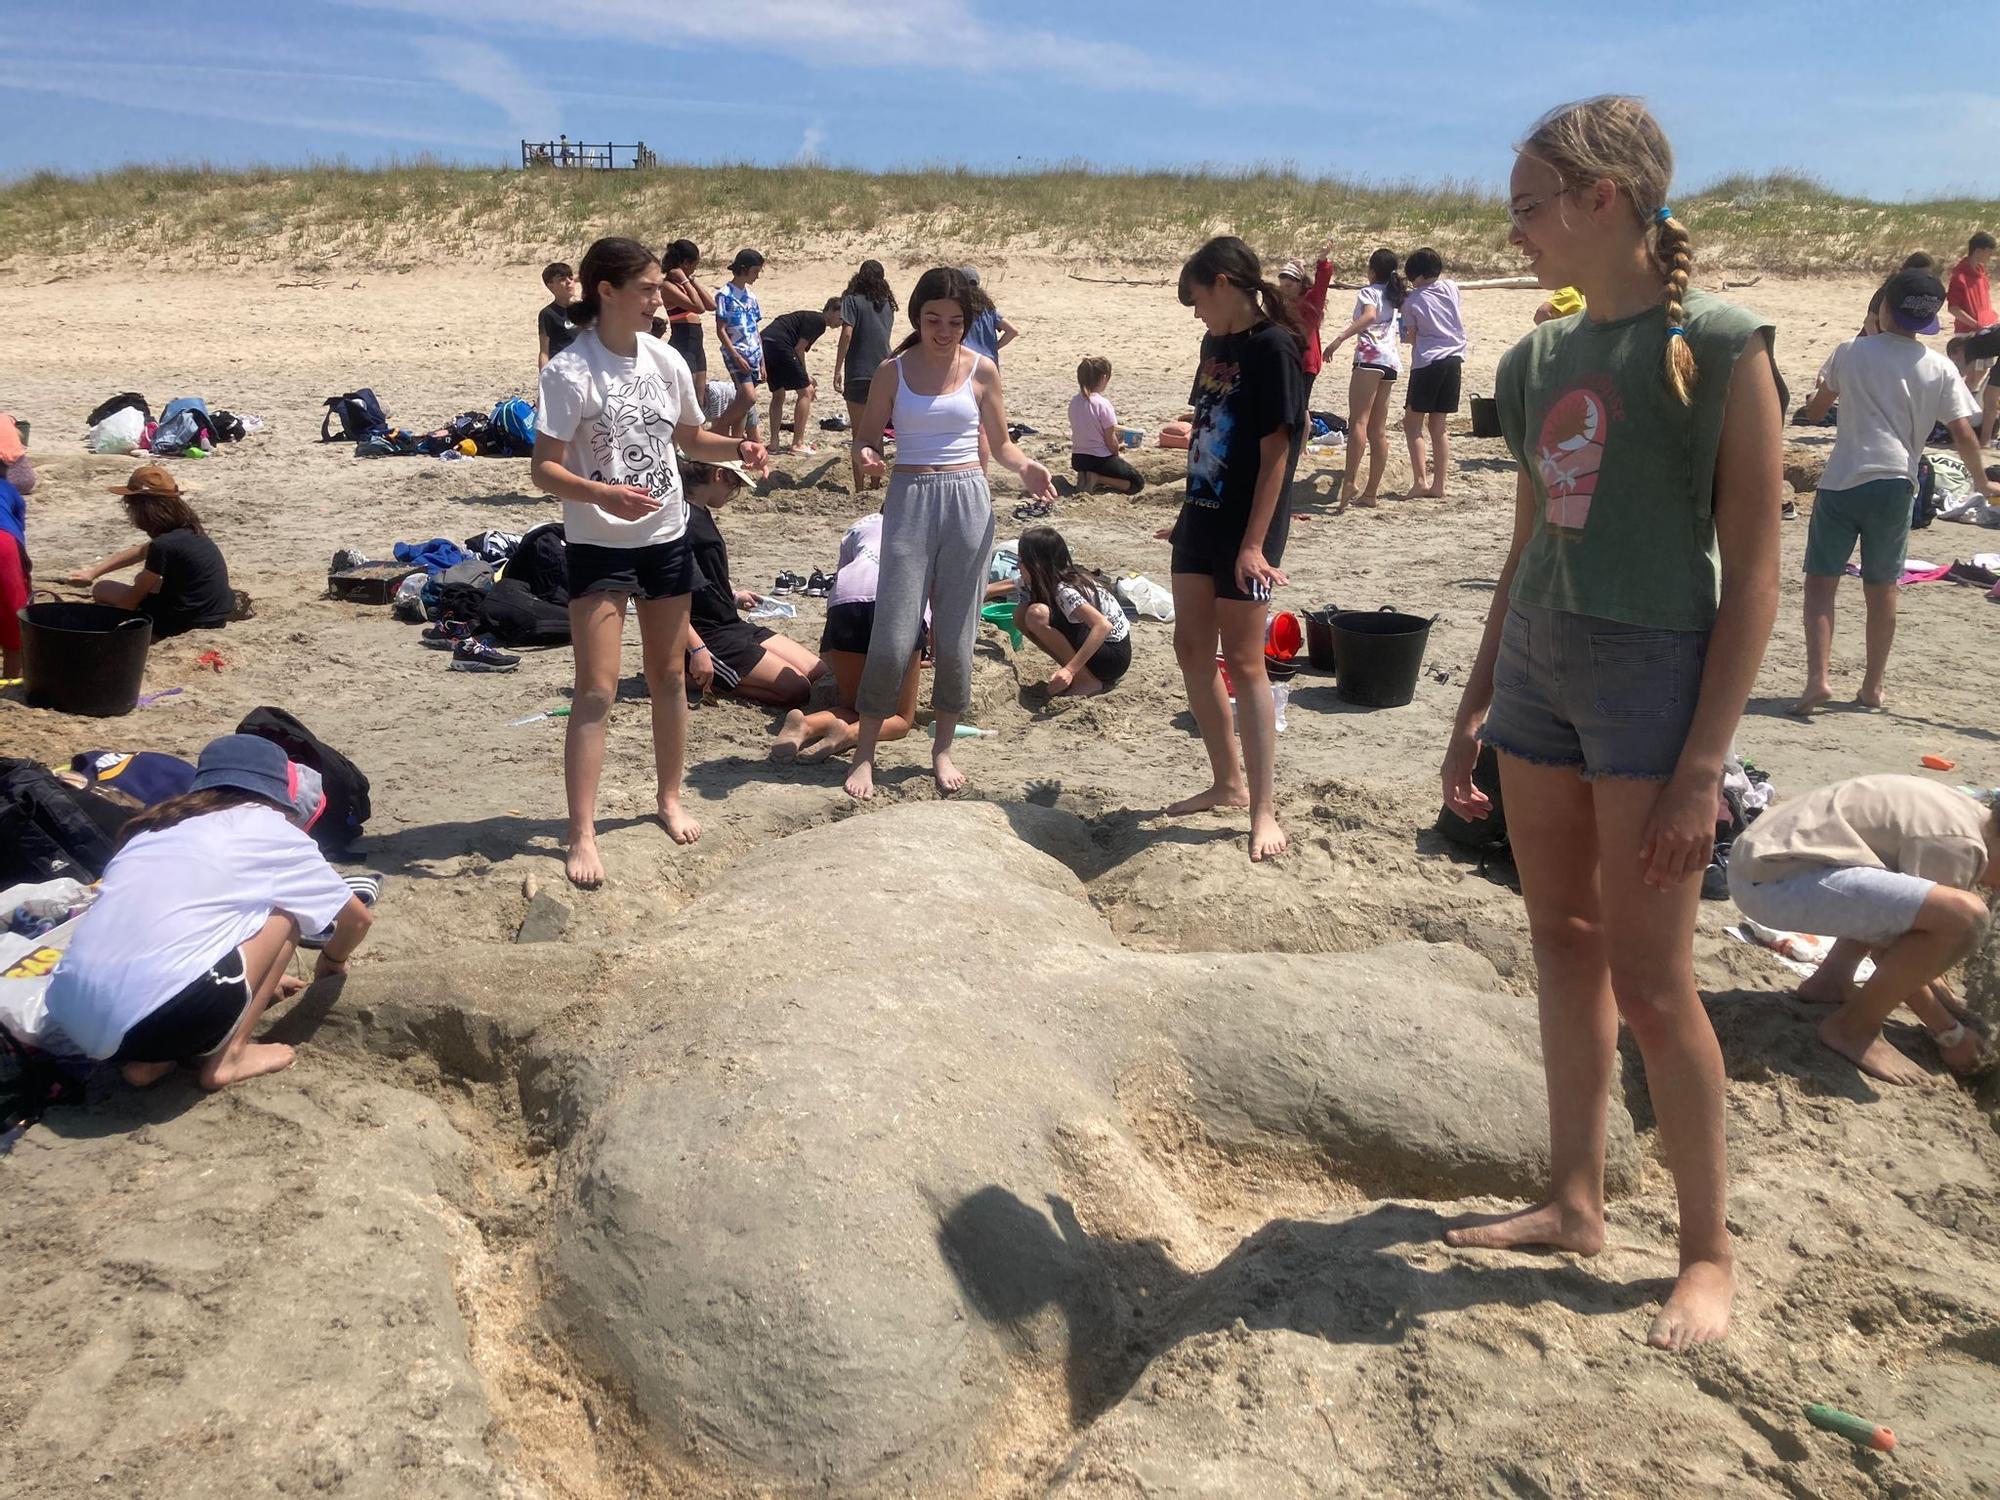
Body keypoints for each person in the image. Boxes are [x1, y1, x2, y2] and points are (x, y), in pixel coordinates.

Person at [1439, 95, 1785, 1352]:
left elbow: (1749, 573)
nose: (1514, 229)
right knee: (1559, 938)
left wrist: (1703, 767)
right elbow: (1524, 542)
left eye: (1530, 206)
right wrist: (1475, 697)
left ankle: (1704, 1251)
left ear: (1602, 201)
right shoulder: (1535, 358)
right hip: (1538, 663)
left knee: (1651, 979)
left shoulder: (1724, 344)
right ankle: (1574, 1199)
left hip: (1653, 683)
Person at [532, 236, 770, 887]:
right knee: (596, 688)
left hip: (667, 537)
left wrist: (737, 450)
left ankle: (668, 797)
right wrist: (602, 492)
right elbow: (544, 468)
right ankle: (581, 831)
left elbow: (690, 438)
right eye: (646, 288)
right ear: (605, 292)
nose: (658, 298)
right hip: (598, 545)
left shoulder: (664, 359)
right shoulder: (569, 371)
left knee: (669, 677)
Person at [43, 734, 374, 1092]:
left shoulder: (152, 828)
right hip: (158, 1018)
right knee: (287, 910)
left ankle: (148, 1063)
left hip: (71, 1014)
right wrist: (331, 959)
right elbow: (357, 918)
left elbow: (180, 921)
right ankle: (230, 1057)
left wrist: (260, 979)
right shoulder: (269, 828)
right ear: (276, 790)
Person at [846, 266, 1056, 799]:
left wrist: (1027, 468)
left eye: (955, 321)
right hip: (910, 497)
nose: (943, 330)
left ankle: (941, 750)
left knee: (958, 636)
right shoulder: (893, 371)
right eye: (933, 319)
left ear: (968, 323)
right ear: (917, 316)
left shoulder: (983, 370)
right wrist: (869, 457)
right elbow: (865, 439)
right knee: (893, 635)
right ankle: (866, 752)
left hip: (969, 499)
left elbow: (1003, 445)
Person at [1790, 270, 1990, 716]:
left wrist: (1816, 398)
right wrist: (1982, 483)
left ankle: (1817, 679)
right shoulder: (1937, 366)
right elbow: (1963, 430)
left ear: (1882, 309)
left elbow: (1816, 410)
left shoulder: (1851, 351)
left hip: (1842, 481)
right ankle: (1872, 687)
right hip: (1898, 484)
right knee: (1883, 589)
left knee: (1821, 586)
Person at [1167, 235, 1306, 863]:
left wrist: (1254, 544)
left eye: (1197, 300)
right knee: (1191, 648)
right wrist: (1184, 505)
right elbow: (1209, 428)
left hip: (1250, 526)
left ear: (1223, 283)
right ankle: (1226, 783)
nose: (1196, 314)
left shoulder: (1276, 345)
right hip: (1200, 515)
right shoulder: (1213, 344)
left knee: (1246, 663)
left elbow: (1279, 449)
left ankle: (1263, 809)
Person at [1730, 774, 1999, 1085]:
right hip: (1772, 881)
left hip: (1765, 860)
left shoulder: (1969, 813)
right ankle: (1854, 1027)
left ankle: (1831, 979)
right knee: (1967, 916)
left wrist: (1940, 992)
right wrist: (1949, 1032)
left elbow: (1898, 905)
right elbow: (1893, 950)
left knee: (1904, 894)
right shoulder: (1959, 848)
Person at [769, 511, 923, 763]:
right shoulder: (923, 527)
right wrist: (926, 651)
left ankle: (805, 725)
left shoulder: (862, 525)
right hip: (895, 600)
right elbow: (932, 600)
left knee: (854, 707)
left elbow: (842, 577)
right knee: (901, 719)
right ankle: (849, 734)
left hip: (846, 599)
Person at [682, 454, 826, 706]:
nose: (734, 492)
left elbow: (703, 575)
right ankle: (687, 677)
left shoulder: (700, 511)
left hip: (729, 623)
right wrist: (696, 649)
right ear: (718, 475)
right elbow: (664, 596)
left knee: (819, 673)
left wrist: (733, 595)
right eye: (735, 484)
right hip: (706, 635)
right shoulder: (679, 521)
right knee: (797, 689)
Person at [66, 465, 232, 637]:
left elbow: (134, 598)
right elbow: (140, 551)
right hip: (216, 615)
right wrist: (93, 572)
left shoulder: (163, 546)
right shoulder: (190, 531)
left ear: (141, 508)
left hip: (184, 622)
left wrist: (107, 627)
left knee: (104, 588)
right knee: (147, 578)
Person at [1323, 247, 1407, 506]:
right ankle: (1370, 494)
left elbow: (1369, 315)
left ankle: (1349, 482)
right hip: (1391, 362)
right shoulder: (1395, 295)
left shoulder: (1370, 291)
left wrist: (1339, 339)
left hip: (1370, 359)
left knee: (1358, 422)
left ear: (1372, 271)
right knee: (1377, 430)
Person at [1010, 524, 1131, 696]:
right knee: (1021, 615)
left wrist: (1070, 670)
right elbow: (994, 588)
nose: (1016, 566)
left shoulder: (1064, 589)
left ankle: (1086, 681)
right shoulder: (1050, 576)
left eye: (1021, 560)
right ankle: (1080, 674)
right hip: (1104, 650)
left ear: (1036, 565)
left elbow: (1103, 626)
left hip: (1113, 657)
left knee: (1036, 615)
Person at [1399, 247, 1468, 499]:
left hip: (1428, 362)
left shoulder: (1412, 301)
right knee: (1439, 426)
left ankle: (1420, 481)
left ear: (1414, 274)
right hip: (1454, 359)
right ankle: (1439, 485)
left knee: (1412, 424)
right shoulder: (1451, 287)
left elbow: (1410, 337)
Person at [834, 260, 899, 494]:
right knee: (877, 433)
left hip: (859, 372)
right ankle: (875, 484)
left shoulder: (852, 301)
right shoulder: (888, 306)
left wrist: (838, 367)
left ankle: (860, 488)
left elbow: (847, 334)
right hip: (884, 371)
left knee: (859, 435)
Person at [762, 299, 844, 456]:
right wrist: (806, 377)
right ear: (831, 311)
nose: (841, 323)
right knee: (806, 391)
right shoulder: (819, 321)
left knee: (778, 394)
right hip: (780, 344)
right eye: (840, 318)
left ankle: (773, 445)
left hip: (765, 343)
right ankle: (798, 443)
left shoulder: (809, 318)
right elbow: (799, 348)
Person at [1068, 356, 1145, 495]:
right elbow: (1110, 440)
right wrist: (1116, 454)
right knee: (1137, 483)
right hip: (1099, 459)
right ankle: (1098, 478)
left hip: (1078, 459)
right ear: (1104, 378)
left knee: (1105, 465)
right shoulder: (1102, 404)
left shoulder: (1074, 402)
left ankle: (1085, 475)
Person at [713, 249, 767, 438]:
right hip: (736, 353)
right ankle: (717, 430)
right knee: (748, 397)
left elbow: (755, 330)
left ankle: (735, 443)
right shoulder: (725, 295)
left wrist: (762, 362)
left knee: (743, 403)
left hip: (753, 354)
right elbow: (720, 330)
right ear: (743, 269)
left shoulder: (751, 297)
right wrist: (735, 355)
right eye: (755, 271)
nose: (757, 276)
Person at [1277, 241, 1337, 405]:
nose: (1284, 290)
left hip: (1306, 362)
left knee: (1300, 406)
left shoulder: (1310, 303)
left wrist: (1322, 260)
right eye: (1282, 286)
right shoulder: (1281, 305)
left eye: (1289, 286)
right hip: (1287, 360)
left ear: (1300, 284)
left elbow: (1322, 284)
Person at [659, 239, 715, 385]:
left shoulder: (686, 284)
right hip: (683, 339)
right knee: (688, 389)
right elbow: (699, 308)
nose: (694, 269)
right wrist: (685, 280)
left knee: (700, 396)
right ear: (685, 263)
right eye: (694, 265)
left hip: (696, 342)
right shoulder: (668, 286)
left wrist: (692, 281)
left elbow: (711, 305)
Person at [959, 266, 1019, 363]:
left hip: (968, 361)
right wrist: (993, 349)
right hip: (989, 362)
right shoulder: (989, 309)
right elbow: (1012, 331)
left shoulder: (958, 310)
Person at [0, 473, 26, 679]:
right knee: (14, 622)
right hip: (4, 545)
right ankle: (10, 679)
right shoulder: (10, 491)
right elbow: (18, 541)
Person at [538, 262, 582, 368]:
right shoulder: (548, 313)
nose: (568, 282)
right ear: (550, 286)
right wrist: (544, 377)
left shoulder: (583, 308)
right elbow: (544, 351)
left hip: (584, 368)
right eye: (562, 279)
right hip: (561, 369)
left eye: (571, 278)